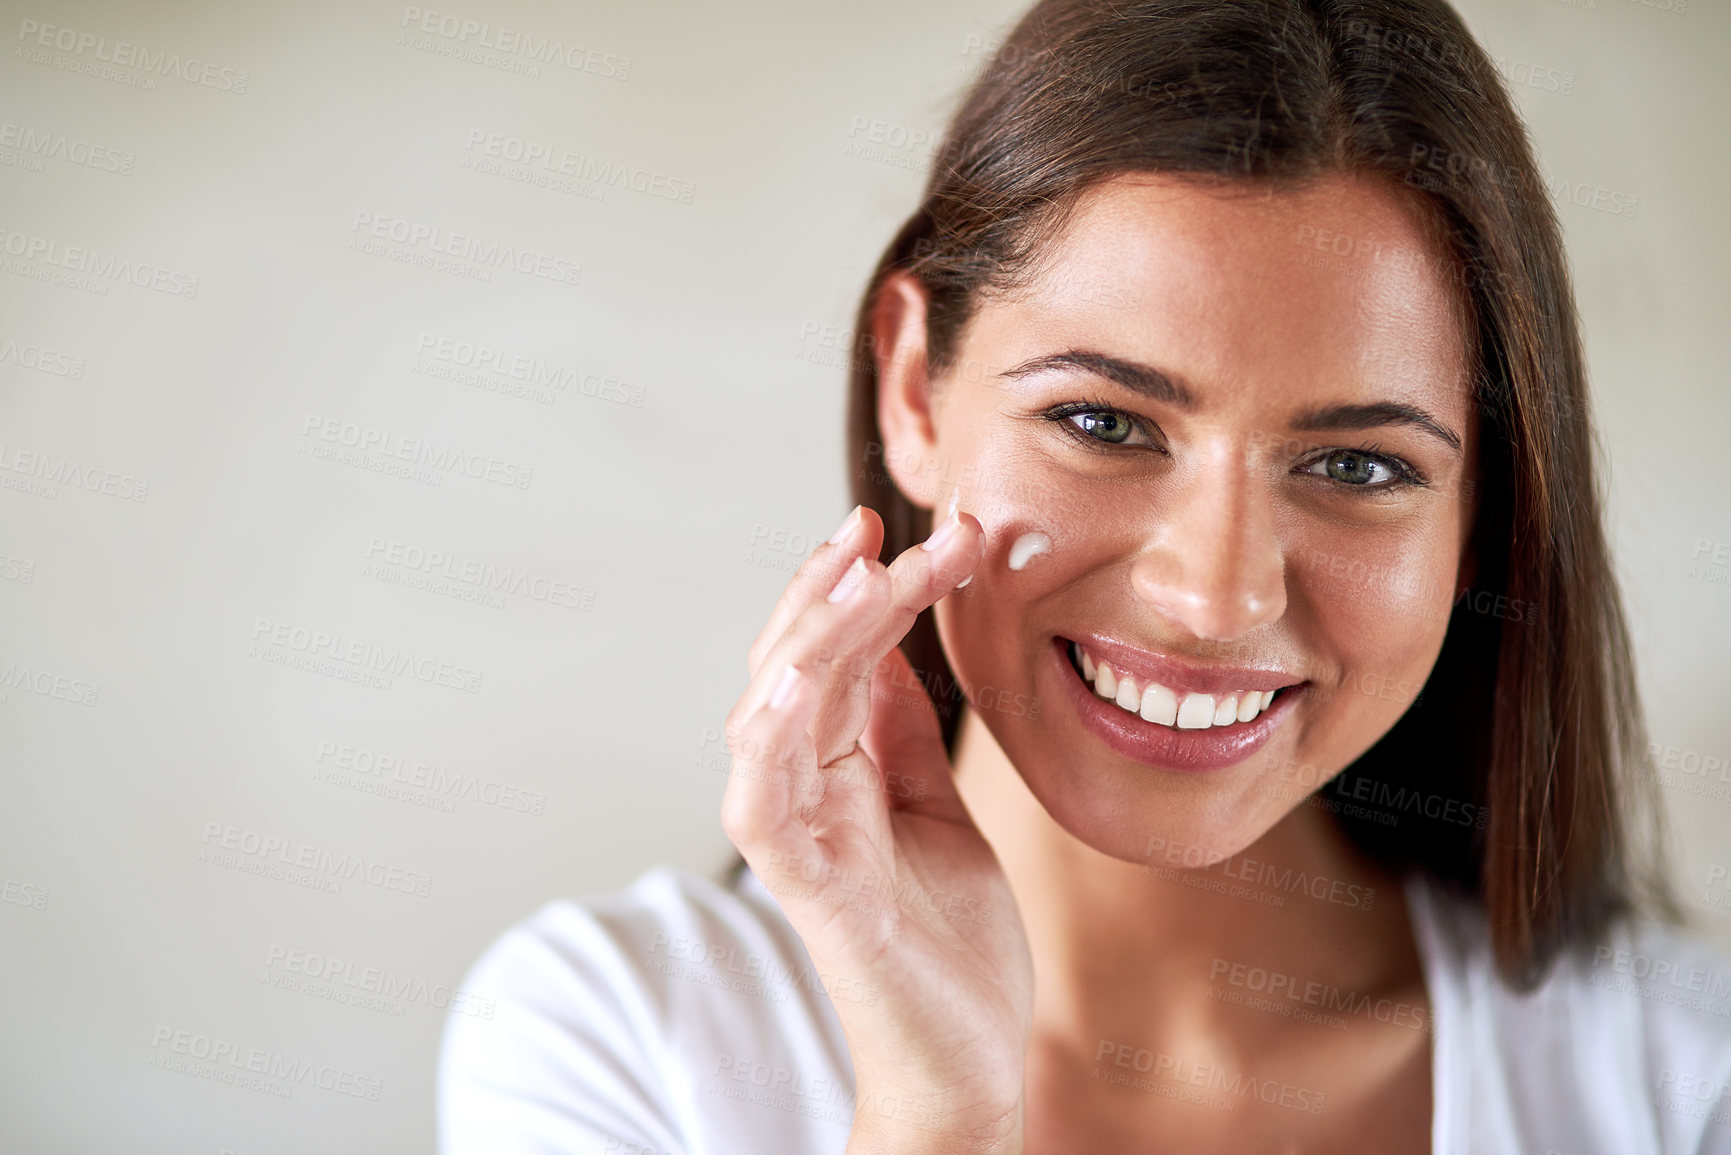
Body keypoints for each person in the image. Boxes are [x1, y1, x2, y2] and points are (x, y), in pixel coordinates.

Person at [439, 0, 1731, 1151]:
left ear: (1485, 511)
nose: (1216, 598)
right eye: (1104, 424)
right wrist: (940, 1120)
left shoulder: (1683, 1085)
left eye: (1357, 465)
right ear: (914, 391)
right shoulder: (612, 1038)